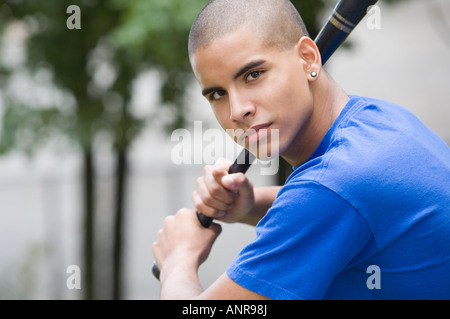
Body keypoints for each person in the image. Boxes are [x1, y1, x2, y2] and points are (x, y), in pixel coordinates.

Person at [152, 0, 450, 299]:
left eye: (253, 74)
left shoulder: (332, 189)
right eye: (218, 94)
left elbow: (331, 199)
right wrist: (252, 204)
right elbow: (348, 207)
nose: (237, 110)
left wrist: (178, 261)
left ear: (308, 59)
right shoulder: (379, 120)